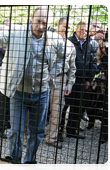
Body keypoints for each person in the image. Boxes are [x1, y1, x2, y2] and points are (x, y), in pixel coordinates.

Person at [0, 6, 67, 166]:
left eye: (45, 23)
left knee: (37, 132)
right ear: (31, 19)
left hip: (42, 93)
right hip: (19, 93)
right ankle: (14, 161)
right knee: (16, 131)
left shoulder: (55, 39)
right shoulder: (16, 32)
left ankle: (29, 162)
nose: (41, 26)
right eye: (38, 21)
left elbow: (63, 58)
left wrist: (53, 72)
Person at [45, 17, 76, 149]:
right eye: (64, 26)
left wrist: (69, 85)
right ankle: (28, 137)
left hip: (60, 79)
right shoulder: (46, 40)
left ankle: (51, 138)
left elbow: (72, 68)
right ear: (57, 25)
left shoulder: (70, 45)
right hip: (43, 78)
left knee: (57, 110)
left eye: (69, 27)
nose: (66, 29)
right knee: (36, 108)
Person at [64, 21, 95, 139]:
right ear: (76, 29)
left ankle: (72, 130)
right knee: (64, 106)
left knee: (77, 107)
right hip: (69, 80)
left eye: (86, 30)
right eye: (82, 30)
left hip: (82, 81)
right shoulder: (69, 41)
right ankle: (60, 130)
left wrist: (89, 79)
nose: (84, 32)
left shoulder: (90, 44)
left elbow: (92, 63)